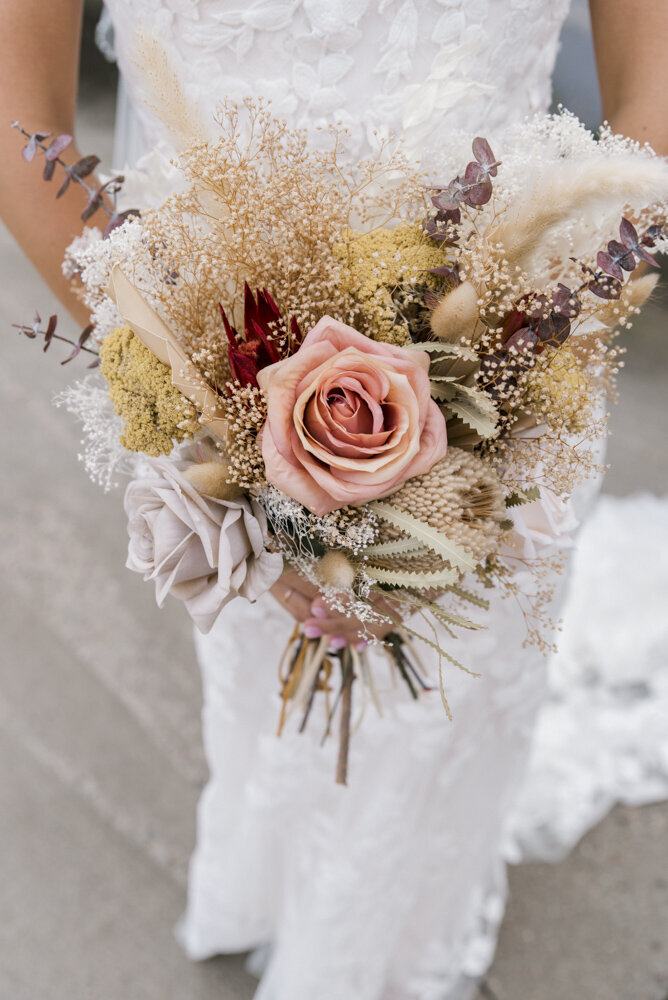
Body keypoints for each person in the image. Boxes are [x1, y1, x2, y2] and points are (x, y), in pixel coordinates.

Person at [1, 3, 667, 998]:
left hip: (516, 364)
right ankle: (271, 887)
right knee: (261, 678)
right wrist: (224, 423)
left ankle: (389, 943)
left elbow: (648, 95)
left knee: (452, 696)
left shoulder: (519, 370)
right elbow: (23, 122)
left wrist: (519, 359)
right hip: (216, 351)